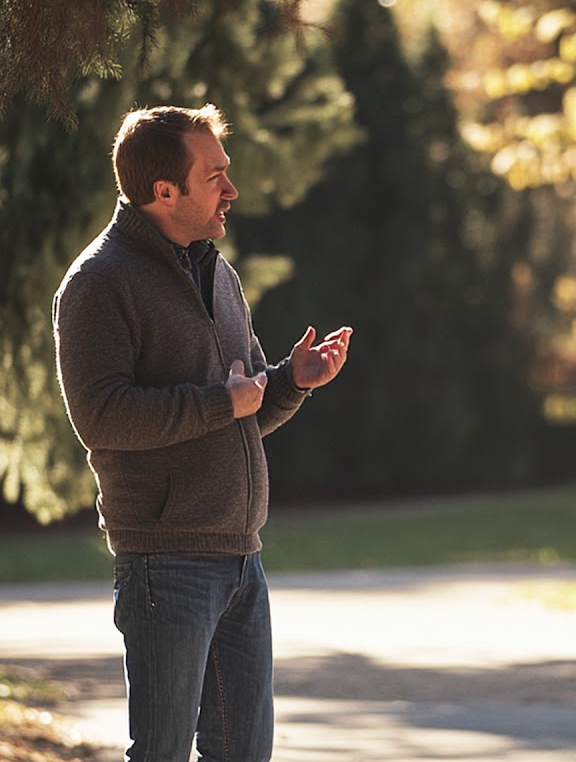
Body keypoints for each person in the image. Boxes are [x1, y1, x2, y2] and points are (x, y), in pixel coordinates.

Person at [52, 104, 351, 762]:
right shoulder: (99, 284)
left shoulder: (218, 274)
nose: (231, 191)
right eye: (215, 176)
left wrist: (293, 381)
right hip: (165, 565)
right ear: (165, 192)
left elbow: (248, 411)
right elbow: (101, 416)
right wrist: (223, 403)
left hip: (242, 560)